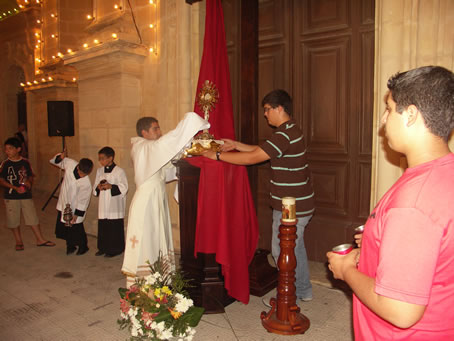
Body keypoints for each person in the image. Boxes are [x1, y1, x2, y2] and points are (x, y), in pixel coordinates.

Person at [327, 66, 454, 340]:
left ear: (410, 115)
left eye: (389, 108)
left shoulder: (414, 204)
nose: (383, 121)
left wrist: (346, 270)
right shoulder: (444, 171)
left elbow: (401, 311)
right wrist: (378, 243)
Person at [202, 89, 315, 302]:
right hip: (298, 202)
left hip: (292, 206)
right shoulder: (290, 130)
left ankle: (290, 295)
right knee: (294, 247)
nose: (265, 114)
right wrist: (235, 145)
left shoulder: (284, 134)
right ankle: (302, 289)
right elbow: (263, 150)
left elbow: (253, 158)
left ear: (279, 108)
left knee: (281, 250)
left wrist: (217, 155)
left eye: (267, 109)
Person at [121, 112, 209, 286]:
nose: (160, 132)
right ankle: (144, 282)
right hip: (146, 203)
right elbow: (166, 144)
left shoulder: (150, 150)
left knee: (158, 238)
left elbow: (169, 163)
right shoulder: (142, 146)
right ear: (144, 132)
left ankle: (160, 278)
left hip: (156, 200)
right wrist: (189, 122)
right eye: (156, 128)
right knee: (148, 240)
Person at [0, 137, 55, 250]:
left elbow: (30, 176)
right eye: (6, 149)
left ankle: (40, 239)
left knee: (32, 217)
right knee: (13, 219)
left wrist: (29, 183)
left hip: (25, 195)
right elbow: (2, 180)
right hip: (11, 196)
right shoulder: (5, 164)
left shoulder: (25, 162)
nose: (7, 151)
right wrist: (14, 188)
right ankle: (18, 241)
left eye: (10, 148)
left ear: (18, 149)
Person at [50, 150, 93, 255]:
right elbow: (55, 162)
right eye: (81, 173)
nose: (82, 175)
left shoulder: (86, 183)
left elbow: (83, 201)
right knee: (65, 227)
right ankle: (70, 246)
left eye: (85, 174)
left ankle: (83, 246)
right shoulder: (70, 164)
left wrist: (76, 214)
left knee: (76, 227)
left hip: (75, 207)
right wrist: (61, 157)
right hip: (64, 202)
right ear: (78, 167)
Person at [93, 146, 128, 258]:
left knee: (114, 227)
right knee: (103, 227)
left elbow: (124, 187)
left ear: (110, 158)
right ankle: (103, 248)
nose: (101, 161)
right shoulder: (99, 171)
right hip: (103, 204)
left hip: (114, 205)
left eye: (103, 158)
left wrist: (111, 186)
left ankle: (115, 249)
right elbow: (95, 186)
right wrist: (98, 187)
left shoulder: (119, 171)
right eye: (99, 159)